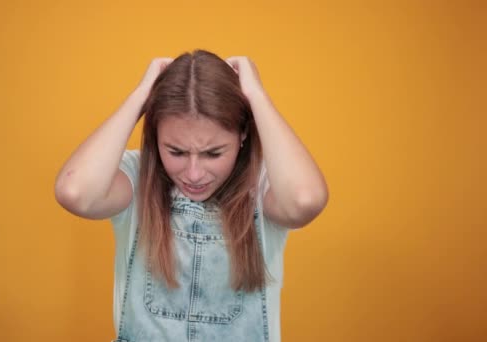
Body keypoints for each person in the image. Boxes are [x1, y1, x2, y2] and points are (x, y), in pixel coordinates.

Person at [55, 49, 328, 342]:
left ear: (243, 134)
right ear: (155, 137)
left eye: (213, 153)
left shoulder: (265, 187)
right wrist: (141, 97)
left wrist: (255, 95)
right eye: (176, 151)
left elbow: (304, 200)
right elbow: (76, 192)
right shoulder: (135, 178)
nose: (194, 174)